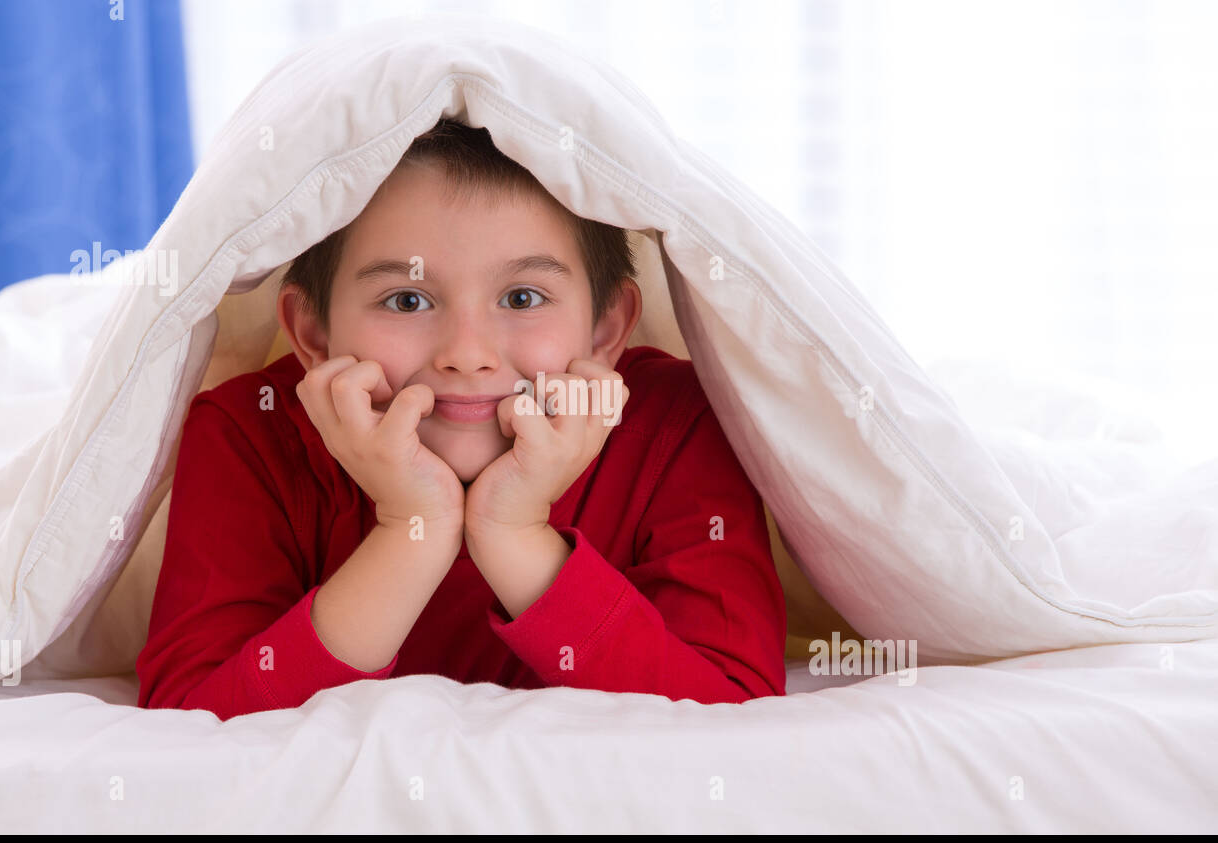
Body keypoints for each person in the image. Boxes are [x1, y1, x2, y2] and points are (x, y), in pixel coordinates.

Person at [136, 118, 787, 720]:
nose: (467, 355)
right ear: (313, 334)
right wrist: (410, 529)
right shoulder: (248, 431)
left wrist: (512, 531)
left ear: (605, 330)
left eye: (523, 297)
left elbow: (728, 713)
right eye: (408, 299)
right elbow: (196, 722)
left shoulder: (680, 424)